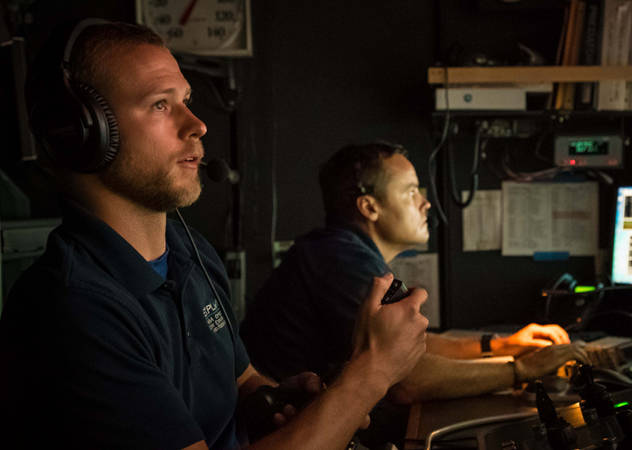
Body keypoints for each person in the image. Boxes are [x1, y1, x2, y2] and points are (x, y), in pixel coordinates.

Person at [0, 19, 428, 449]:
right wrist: (370, 375)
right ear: (83, 133)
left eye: (186, 99)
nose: (198, 124)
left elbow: (242, 380)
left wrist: (277, 402)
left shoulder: (188, 250)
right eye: (160, 105)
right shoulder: (72, 310)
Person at [240, 142, 589, 405]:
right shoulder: (339, 259)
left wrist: (500, 345)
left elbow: (411, 347)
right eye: (410, 192)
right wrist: (522, 371)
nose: (425, 203)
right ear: (370, 206)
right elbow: (408, 379)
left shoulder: (341, 251)